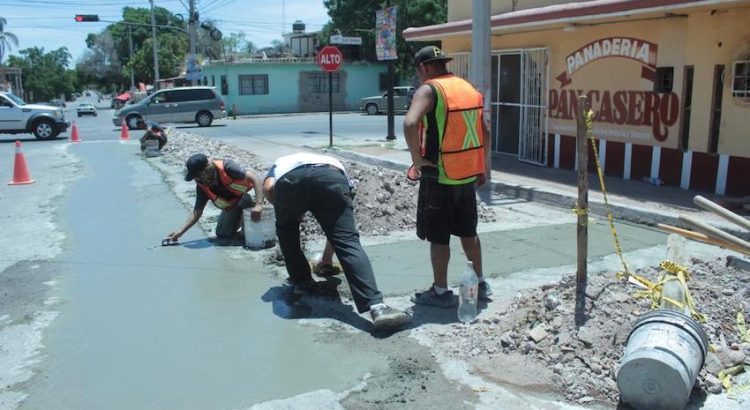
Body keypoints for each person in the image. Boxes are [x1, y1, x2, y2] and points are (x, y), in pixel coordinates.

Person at [262, 152, 411, 330]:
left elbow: (268, 187)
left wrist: (287, 211)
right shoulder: (334, 165)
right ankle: (377, 307)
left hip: (290, 181)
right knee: (347, 240)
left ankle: (301, 282)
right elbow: (337, 232)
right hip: (332, 180)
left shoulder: (280, 163)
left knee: (287, 231)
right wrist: (326, 259)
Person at [403, 45, 493, 308]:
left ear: (424, 67)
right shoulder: (467, 88)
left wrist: (417, 161)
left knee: (439, 237)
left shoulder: (430, 89)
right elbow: (485, 130)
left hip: (439, 175)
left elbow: (409, 123)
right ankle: (480, 283)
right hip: (466, 175)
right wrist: (482, 168)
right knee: (469, 232)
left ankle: (441, 292)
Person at [165, 153, 264, 243]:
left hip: (245, 199)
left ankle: (249, 224)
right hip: (232, 206)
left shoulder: (226, 167)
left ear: (205, 170)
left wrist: (259, 204)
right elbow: (197, 212)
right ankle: (241, 221)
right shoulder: (202, 186)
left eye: (197, 175)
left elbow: (255, 178)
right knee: (222, 233)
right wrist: (181, 231)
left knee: (245, 200)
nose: (196, 179)